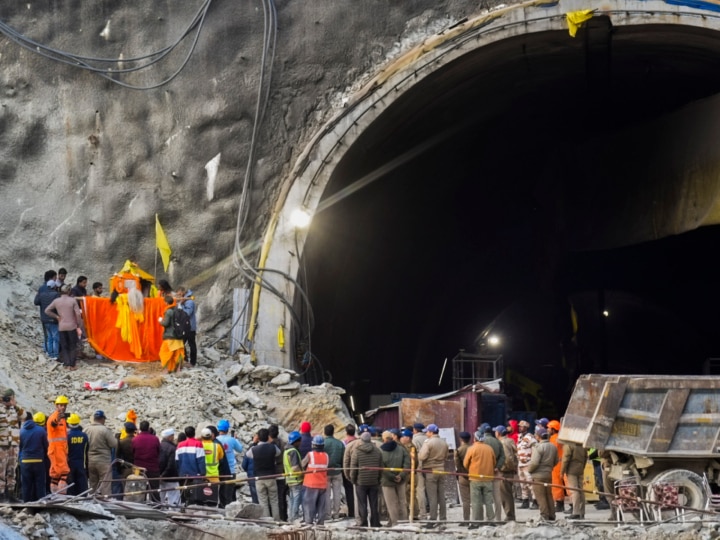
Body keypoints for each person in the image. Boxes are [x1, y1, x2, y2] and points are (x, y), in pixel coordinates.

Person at [245, 428, 280, 519]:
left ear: (258, 438)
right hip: (271, 476)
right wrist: (271, 442)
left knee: (263, 501)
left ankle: (267, 520)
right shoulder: (272, 447)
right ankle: (277, 519)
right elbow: (278, 453)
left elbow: (247, 455)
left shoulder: (254, 449)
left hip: (259, 478)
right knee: (274, 500)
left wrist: (254, 443)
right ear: (268, 437)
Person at [44, 285, 82, 369]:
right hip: (71, 326)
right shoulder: (72, 300)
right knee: (72, 345)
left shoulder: (56, 301)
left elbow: (47, 310)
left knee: (64, 345)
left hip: (61, 326)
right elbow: (78, 314)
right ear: (69, 291)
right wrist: (78, 324)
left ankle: (66, 363)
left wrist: (56, 316)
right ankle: (72, 364)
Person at [350, 431, 382, 527]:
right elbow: (381, 467)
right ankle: (375, 522)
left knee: (362, 503)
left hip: (361, 482)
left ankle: (363, 522)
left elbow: (353, 468)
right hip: (374, 482)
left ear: (361, 440)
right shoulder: (377, 451)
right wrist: (378, 479)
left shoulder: (357, 451)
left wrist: (353, 479)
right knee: (374, 503)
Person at [418, 423, 448, 522]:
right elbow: (446, 456)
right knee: (441, 496)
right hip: (441, 470)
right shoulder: (444, 443)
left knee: (432, 496)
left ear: (431, 432)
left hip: (430, 470)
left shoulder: (428, 443)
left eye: (427, 432)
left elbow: (422, 456)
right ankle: (443, 518)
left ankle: (433, 518)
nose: (426, 433)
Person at [464, 430, 496, 523]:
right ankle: (491, 520)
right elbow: (494, 462)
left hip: (475, 478)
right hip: (488, 478)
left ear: (475, 439)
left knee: (476, 501)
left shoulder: (471, 449)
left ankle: (476, 521)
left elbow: (466, 464)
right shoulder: (489, 448)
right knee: (488, 501)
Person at [528, 427, 559, 521]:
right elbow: (556, 461)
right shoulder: (553, 446)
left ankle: (544, 515)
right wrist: (549, 468)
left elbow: (534, 463)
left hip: (538, 476)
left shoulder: (538, 447)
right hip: (548, 474)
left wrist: (530, 470)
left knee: (540, 496)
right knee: (548, 495)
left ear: (538, 437)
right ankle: (552, 515)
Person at [380, 430, 410, 527]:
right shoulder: (401, 449)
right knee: (402, 501)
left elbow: (381, 467)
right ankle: (404, 521)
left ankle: (394, 522)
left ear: (384, 439)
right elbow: (407, 464)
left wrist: (391, 476)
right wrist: (401, 475)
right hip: (401, 480)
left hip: (387, 481)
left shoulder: (381, 451)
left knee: (391, 503)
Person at [84, 410, 117, 496]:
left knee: (93, 483)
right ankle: (105, 502)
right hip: (104, 461)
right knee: (105, 483)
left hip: (90, 461)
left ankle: (92, 502)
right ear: (102, 419)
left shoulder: (86, 429)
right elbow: (114, 444)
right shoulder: (105, 430)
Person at [19, 411, 48, 502]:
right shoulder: (41, 430)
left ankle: (27, 504)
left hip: (25, 461)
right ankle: (40, 504)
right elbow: (46, 446)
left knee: (26, 484)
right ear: (32, 419)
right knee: (40, 483)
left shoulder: (21, 431)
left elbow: (19, 447)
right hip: (38, 460)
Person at [0, 389, 22, 502]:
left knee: (12, 470)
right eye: (6, 398)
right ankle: (1, 495)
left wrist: (15, 406)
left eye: (10, 398)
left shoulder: (16, 410)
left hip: (14, 444)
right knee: (1, 471)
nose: (8, 400)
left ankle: (11, 494)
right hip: (2, 445)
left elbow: (24, 417)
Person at [302, 434, 329, 526]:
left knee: (309, 506)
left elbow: (302, 465)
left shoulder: (310, 455)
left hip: (311, 484)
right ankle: (320, 524)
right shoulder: (326, 456)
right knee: (321, 507)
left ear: (313, 445)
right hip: (322, 485)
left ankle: (309, 523)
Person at [175, 426, 206, 505]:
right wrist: (203, 472)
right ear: (194, 433)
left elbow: (177, 460)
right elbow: (201, 460)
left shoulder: (180, 445)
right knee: (193, 493)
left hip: (182, 473)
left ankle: (183, 506)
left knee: (183, 492)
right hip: (194, 474)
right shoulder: (198, 444)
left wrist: (178, 472)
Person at [132, 420, 161, 502]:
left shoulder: (135, 439)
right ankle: (157, 506)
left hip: (139, 468)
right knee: (154, 489)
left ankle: (140, 505)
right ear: (148, 428)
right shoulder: (155, 439)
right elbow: (159, 452)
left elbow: (133, 453)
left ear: (140, 428)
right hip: (153, 468)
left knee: (140, 488)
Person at [34, 270, 60, 359]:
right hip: (53, 317)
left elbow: (36, 302)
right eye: (55, 277)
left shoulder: (41, 289)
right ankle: (55, 354)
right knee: (55, 337)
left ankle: (48, 352)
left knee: (48, 336)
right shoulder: (55, 294)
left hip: (44, 317)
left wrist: (38, 295)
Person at [47, 395, 70, 493]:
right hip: (56, 450)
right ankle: (61, 495)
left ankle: (55, 494)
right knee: (64, 472)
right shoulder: (54, 417)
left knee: (55, 474)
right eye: (61, 405)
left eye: (64, 405)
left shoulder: (63, 419)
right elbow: (53, 423)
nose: (63, 407)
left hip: (60, 449)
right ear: (56, 406)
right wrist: (57, 419)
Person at [216, 420, 243, 504]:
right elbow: (240, 449)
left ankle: (222, 508)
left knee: (221, 492)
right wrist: (235, 439)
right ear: (227, 430)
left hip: (219, 470)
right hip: (231, 470)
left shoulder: (215, 440)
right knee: (230, 493)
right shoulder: (231, 440)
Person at [495, 425, 517, 521]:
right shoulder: (510, 441)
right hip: (510, 471)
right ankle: (510, 515)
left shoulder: (502, 443)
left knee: (505, 495)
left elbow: (508, 458)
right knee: (508, 493)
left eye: (495, 432)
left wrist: (502, 468)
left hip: (504, 472)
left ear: (498, 433)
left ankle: (510, 516)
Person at [323, 424, 345, 520]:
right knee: (337, 493)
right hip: (337, 471)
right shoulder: (339, 443)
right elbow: (343, 458)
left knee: (327, 494)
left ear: (325, 432)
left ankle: (327, 515)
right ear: (333, 432)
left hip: (326, 472)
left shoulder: (323, 443)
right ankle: (336, 514)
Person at [562, 440, 588, 519]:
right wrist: (582, 467)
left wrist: (562, 471)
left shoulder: (569, 444)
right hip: (580, 468)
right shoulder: (582, 444)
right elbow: (585, 457)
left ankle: (576, 512)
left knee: (574, 490)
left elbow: (566, 459)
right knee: (581, 490)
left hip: (571, 469)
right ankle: (582, 512)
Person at [158, 295, 184, 373]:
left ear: (166, 302)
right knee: (178, 353)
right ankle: (178, 369)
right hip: (179, 335)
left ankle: (167, 369)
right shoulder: (179, 309)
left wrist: (160, 320)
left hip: (170, 336)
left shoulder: (169, 311)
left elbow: (166, 323)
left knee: (165, 353)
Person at [268, 424, 287, 520]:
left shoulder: (267, 445)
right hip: (282, 472)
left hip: (270, 474)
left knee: (271, 497)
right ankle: (283, 517)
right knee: (281, 497)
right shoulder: (283, 444)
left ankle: (272, 517)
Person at [517, 420, 538, 509]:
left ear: (526, 428)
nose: (520, 428)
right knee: (523, 484)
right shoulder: (519, 437)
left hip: (528, 463)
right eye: (519, 426)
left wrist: (533, 461)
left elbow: (535, 449)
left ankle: (535, 501)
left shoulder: (530, 437)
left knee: (531, 483)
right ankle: (525, 501)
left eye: (521, 426)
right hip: (520, 464)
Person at [66, 413, 89, 495]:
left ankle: (71, 500)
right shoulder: (84, 436)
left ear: (69, 424)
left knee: (71, 484)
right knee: (82, 483)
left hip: (70, 463)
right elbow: (86, 450)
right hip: (81, 463)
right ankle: (83, 499)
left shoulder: (67, 436)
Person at [283, 431, 304, 522]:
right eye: (300, 441)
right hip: (296, 479)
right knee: (296, 499)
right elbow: (295, 467)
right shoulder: (293, 452)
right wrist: (303, 473)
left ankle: (290, 517)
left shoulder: (286, 450)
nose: (300, 443)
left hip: (289, 480)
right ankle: (294, 517)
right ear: (296, 441)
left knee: (291, 499)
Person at [175, 287, 198, 367]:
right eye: (178, 294)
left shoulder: (190, 302)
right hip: (184, 327)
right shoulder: (185, 301)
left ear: (183, 292)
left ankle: (192, 362)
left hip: (190, 327)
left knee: (191, 345)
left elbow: (186, 313)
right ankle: (185, 360)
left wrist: (180, 304)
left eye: (180, 294)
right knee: (181, 343)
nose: (179, 295)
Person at [115, 421, 137, 499]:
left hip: (126, 468)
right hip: (138, 468)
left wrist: (119, 469)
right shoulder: (137, 440)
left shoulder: (122, 442)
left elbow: (117, 456)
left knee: (125, 488)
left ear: (126, 430)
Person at [547, 419, 566, 512]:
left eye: (549, 428)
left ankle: (559, 504)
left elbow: (551, 452)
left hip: (557, 464)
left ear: (553, 429)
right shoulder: (560, 437)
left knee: (556, 484)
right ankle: (569, 504)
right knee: (565, 484)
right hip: (561, 462)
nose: (547, 430)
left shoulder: (554, 439)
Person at [159, 428, 180, 507]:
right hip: (171, 476)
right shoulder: (172, 448)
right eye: (172, 436)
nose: (173, 438)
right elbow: (171, 464)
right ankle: (173, 511)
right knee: (174, 495)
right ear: (169, 437)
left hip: (160, 476)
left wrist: (160, 475)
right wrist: (164, 475)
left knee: (161, 494)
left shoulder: (159, 446)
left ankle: (160, 509)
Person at [454, 431, 472, 521]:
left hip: (463, 476)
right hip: (473, 475)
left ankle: (466, 519)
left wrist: (461, 473)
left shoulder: (459, 450)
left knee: (465, 500)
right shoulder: (472, 448)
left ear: (461, 439)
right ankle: (477, 518)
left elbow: (457, 463)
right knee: (475, 499)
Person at [411, 422, 428, 519]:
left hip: (419, 467)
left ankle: (422, 513)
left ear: (415, 430)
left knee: (420, 491)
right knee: (429, 491)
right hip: (429, 467)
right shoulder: (428, 438)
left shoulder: (415, 439)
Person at [341, 424, 357, 519]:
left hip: (348, 470)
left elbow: (344, 458)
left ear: (346, 432)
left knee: (349, 492)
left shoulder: (344, 443)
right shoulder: (359, 442)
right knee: (359, 492)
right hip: (358, 469)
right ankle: (360, 511)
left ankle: (352, 512)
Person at [241, 432, 259, 504]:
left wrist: (248, 471)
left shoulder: (251, 449)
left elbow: (244, 465)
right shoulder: (269, 447)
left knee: (255, 499)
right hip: (264, 476)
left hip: (252, 476)